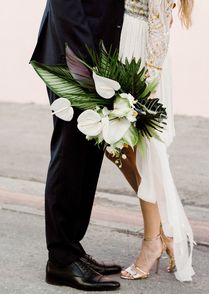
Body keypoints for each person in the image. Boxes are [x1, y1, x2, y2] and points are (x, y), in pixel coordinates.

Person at [30, 0, 125, 291]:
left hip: (98, 56)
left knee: (89, 150)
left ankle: (73, 249)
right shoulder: (84, 58)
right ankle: (60, 259)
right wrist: (91, 63)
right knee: (70, 153)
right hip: (73, 56)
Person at [106, 0, 196, 282]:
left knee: (145, 153)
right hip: (126, 47)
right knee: (119, 149)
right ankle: (166, 230)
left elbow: (159, 26)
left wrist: (148, 83)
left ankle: (152, 241)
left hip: (143, 59)